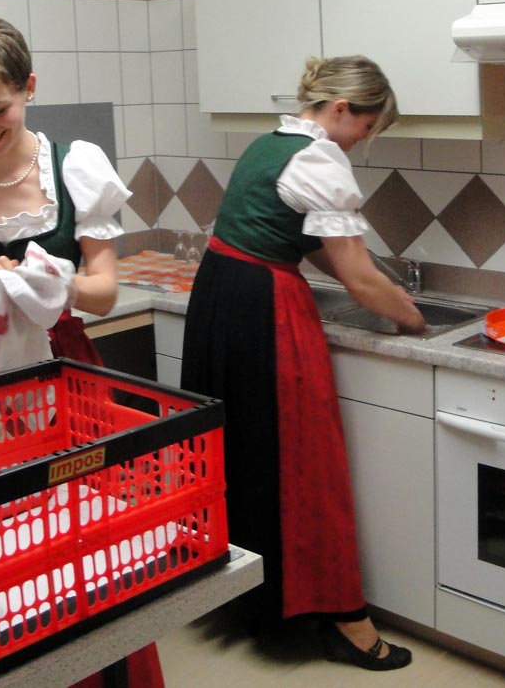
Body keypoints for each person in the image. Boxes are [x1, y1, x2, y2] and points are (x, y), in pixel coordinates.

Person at [0, 15, 163, 688]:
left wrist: (44, 288)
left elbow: (103, 292)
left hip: (67, 370)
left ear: (29, 88)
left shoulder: (76, 168)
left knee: (86, 533)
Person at [180, 55, 425, 672]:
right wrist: (412, 320)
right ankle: (345, 623)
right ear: (341, 110)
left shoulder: (270, 143)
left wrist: (382, 289)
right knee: (302, 460)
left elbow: (304, 239)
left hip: (218, 298)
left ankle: (252, 598)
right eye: (368, 127)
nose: (365, 141)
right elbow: (359, 277)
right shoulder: (321, 159)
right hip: (264, 310)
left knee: (241, 452)